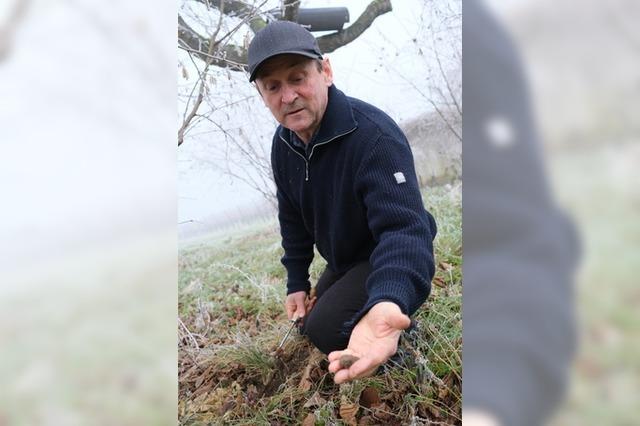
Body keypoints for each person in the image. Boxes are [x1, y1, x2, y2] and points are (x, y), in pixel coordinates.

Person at [247, 21, 437, 384]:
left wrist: (388, 299)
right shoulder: (283, 143)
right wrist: (296, 283)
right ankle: (373, 305)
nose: (288, 96)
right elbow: (292, 217)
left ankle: (399, 330)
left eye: (298, 77)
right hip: (346, 257)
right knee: (308, 322)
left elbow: (404, 229)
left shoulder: (373, 136)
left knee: (325, 330)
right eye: (273, 86)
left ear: (326, 72)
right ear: (262, 95)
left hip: (387, 249)